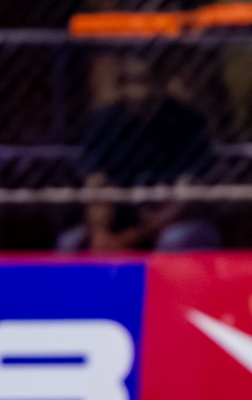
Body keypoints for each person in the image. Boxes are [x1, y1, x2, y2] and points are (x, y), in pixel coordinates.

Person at [58, 52, 219, 252]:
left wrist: (140, 234)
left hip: (172, 222)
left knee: (175, 239)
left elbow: (186, 195)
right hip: (121, 224)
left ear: (160, 83)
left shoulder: (185, 122)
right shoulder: (107, 121)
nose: (137, 92)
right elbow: (97, 184)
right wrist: (101, 233)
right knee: (69, 242)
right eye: (126, 82)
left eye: (144, 81)